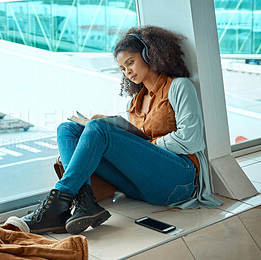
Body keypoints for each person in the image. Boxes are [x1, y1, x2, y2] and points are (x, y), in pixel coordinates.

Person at [21, 25, 222, 235]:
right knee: (68, 128)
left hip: (179, 180)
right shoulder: (134, 102)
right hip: (141, 187)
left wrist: (149, 145)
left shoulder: (179, 87)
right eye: (123, 69)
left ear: (149, 55)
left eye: (130, 62)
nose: (128, 72)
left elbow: (192, 139)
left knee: (99, 128)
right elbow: (134, 152)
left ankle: (56, 204)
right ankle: (85, 201)